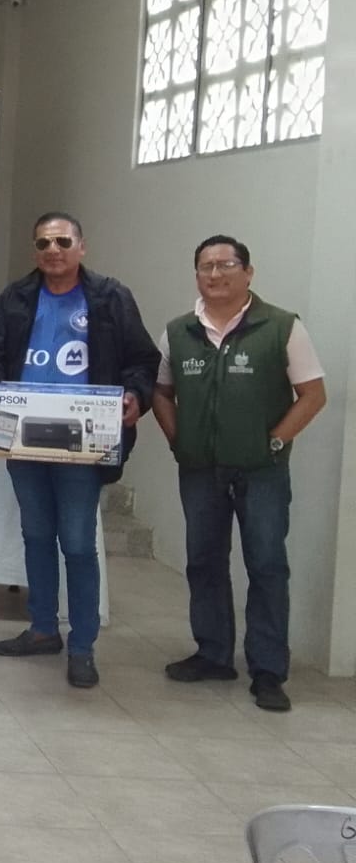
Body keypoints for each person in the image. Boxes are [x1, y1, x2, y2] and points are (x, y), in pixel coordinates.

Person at [0, 211, 159, 689]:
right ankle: (41, 629)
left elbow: (142, 359)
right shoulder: (16, 298)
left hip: (83, 441)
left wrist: (135, 395)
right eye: (43, 243)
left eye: (62, 241)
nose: (52, 250)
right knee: (36, 534)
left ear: (81, 246)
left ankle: (82, 645)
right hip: (24, 436)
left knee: (76, 542)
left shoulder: (110, 297)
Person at [152, 235, 326, 712]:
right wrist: (178, 439)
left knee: (266, 564)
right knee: (204, 561)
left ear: (248, 272)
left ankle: (268, 669)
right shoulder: (179, 331)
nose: (215, 274)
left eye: (226, 264)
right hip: (200, 470)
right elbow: (161, 392)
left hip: (261, 471)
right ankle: (212, 654)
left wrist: (275, 442)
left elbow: (313, 394)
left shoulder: (282, 327)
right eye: (205, 266)